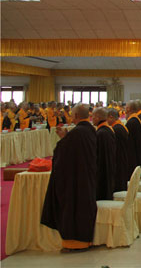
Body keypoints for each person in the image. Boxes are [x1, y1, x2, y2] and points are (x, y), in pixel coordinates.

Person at [41, 104, 97, 252]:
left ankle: (75, 243)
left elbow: (63, 153)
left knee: (74, 210)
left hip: (76, 179)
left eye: (72, 114)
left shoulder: (77, 132)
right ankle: (85, 241)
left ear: (76, 116)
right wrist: (66, 138)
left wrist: (63, 140)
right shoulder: (90, 130)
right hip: (87, 176)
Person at [107, 108, 130, 192]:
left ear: (111, 117)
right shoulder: (121, 126)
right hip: (123, 157)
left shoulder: (116, 129)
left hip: (119, 158)